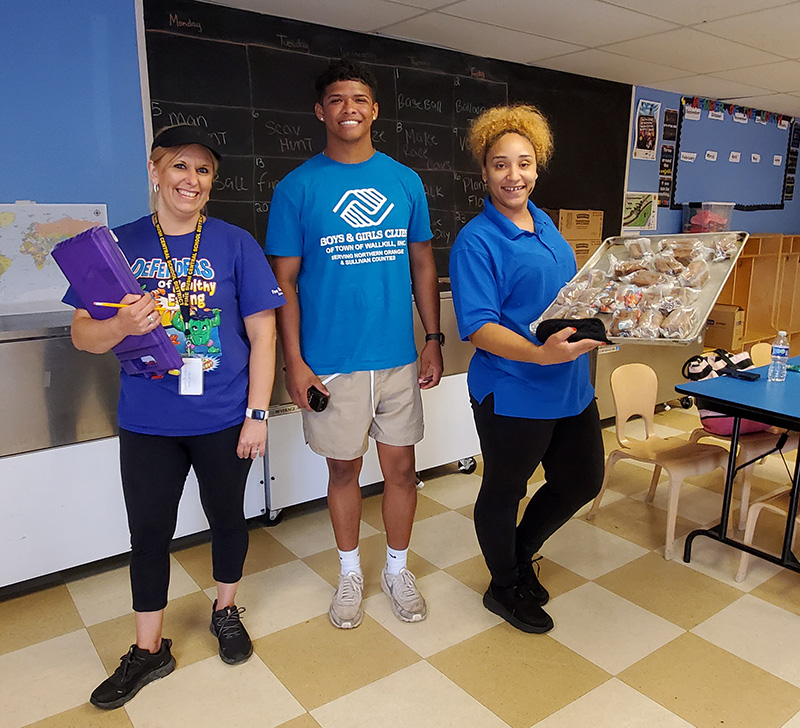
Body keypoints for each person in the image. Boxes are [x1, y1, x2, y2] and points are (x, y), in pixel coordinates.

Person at [66, 125, 285, 709]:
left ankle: (225, 609)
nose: (192, 180)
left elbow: (263, 337)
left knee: (227, 518)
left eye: (204, 171)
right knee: (149, 533)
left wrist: (257, 414)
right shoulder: (116, 245)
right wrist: (120, 327)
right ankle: (148, 649)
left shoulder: (237, 243)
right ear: (156, 171)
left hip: (223, 416)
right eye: (181, 167)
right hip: (148, 421)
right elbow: (82, 335)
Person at [266, 58, 443, 629]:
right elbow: (283, 282)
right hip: (331, 365)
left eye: (360, 99)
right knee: (343, 472)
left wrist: (433, 338)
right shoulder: (297, 188)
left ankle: (396, 569)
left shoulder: (404, 180)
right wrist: (295, 363)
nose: (350, 109)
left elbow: (421, 262)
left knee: (402, 472)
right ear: (321, 111)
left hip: (395, 358)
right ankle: (349, 573)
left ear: (375, 110)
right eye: (338, 100)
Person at [449, 105, 604, 634]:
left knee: (582, 479)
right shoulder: (477, 240)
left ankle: (517, 553)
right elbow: (477, 326)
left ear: (538, 166)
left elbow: (563, 301)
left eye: (524, 163)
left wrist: (605, 326)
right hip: (513, 388)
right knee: (504, 490)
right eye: (500, 165)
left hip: (569, 385)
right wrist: (539, 355)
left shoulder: (545, 225)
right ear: (485, 171)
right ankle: (505, 585)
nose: (513, 175)